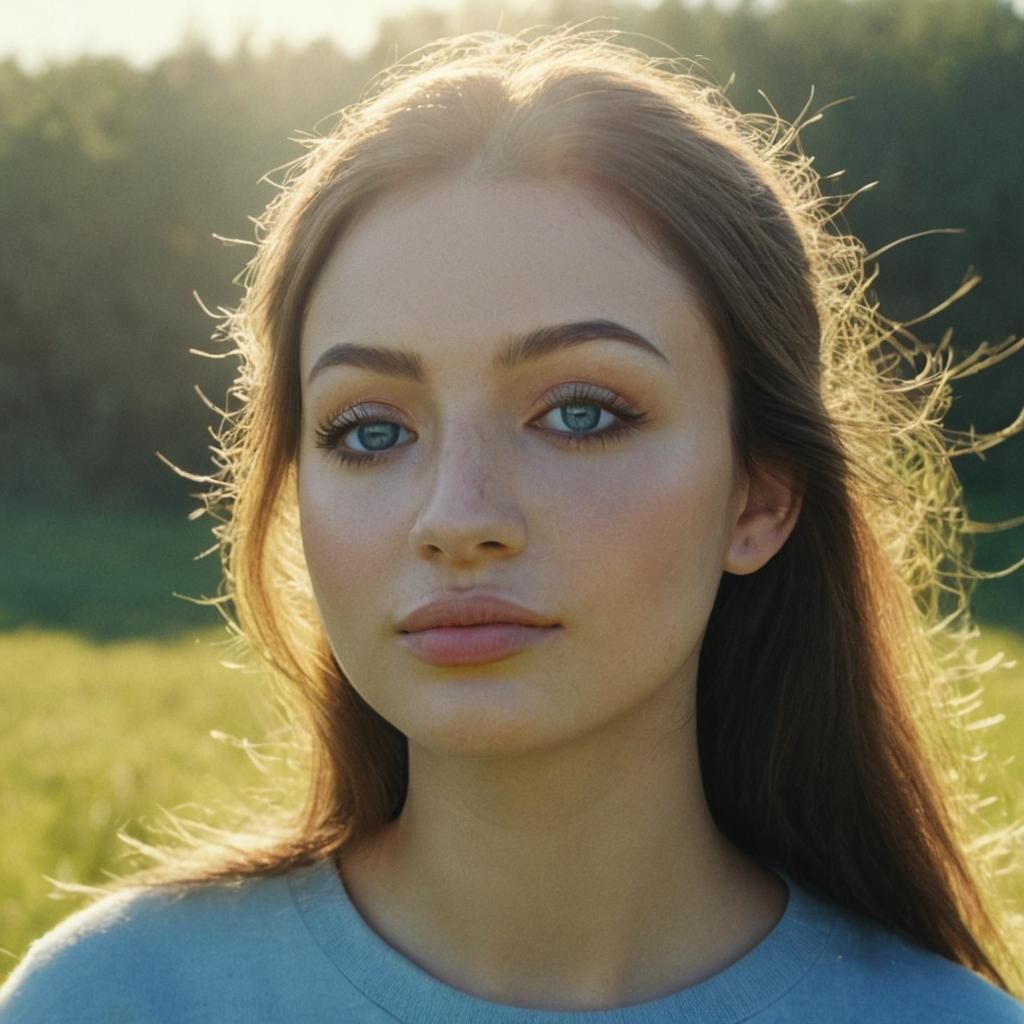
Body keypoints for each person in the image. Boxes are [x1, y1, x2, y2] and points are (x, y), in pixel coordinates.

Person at [2, 25, 1022, 1023]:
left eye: (580, 412)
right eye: (367, 430)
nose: (457, 518)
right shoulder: (111, 1002)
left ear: (759, 495)